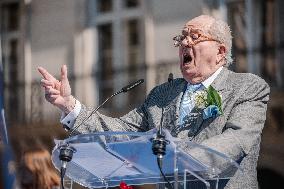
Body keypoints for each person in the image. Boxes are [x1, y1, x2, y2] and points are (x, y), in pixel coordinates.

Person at [38, 15, 270, 189]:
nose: (184, 43)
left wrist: (178, 156)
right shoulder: (162, 96)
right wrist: (68, 104)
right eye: (181, 38)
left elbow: (236, 142)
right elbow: (120, 133)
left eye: (195, 37)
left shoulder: (248, 87)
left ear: (220, 51)